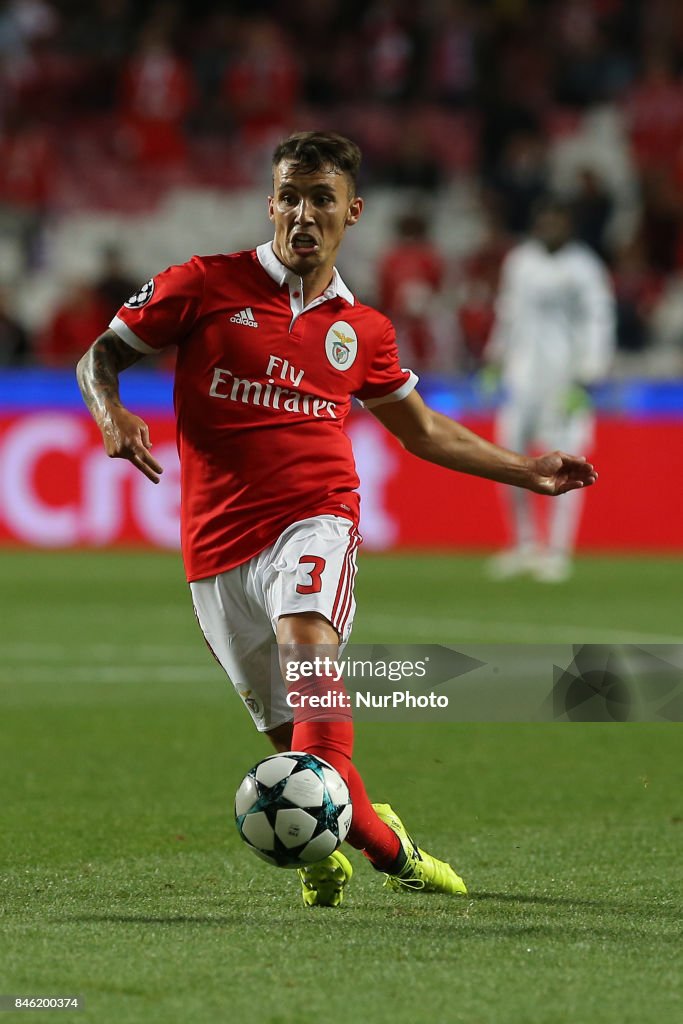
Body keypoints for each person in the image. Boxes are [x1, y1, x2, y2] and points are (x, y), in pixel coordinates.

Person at [76, 132, 598, 908]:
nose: (303, 213)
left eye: (321, 199)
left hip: (314, 520)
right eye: (289, 196)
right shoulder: (204, 283)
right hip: (215, 549)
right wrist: (110, 412)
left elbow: (421, 429)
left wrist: (524, 468)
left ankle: (401, 863)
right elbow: (100, 355)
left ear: (351, 212)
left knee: (306, 641)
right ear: (271, 205)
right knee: (295, 751)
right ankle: (356, 837)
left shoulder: (363, 329)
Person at [485, 198, 614, 583]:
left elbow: (598, 321)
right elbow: (507, 312)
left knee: (567, 464)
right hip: (521, 376)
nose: (549, 228)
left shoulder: (584, 268)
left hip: (564, 379)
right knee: (507, 459)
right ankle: (524, 544)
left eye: (556, 221)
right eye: (544, 221)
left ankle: (556, 551)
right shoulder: (520, 261)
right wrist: (495, 356)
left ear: (569, 225)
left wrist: (589, 375)